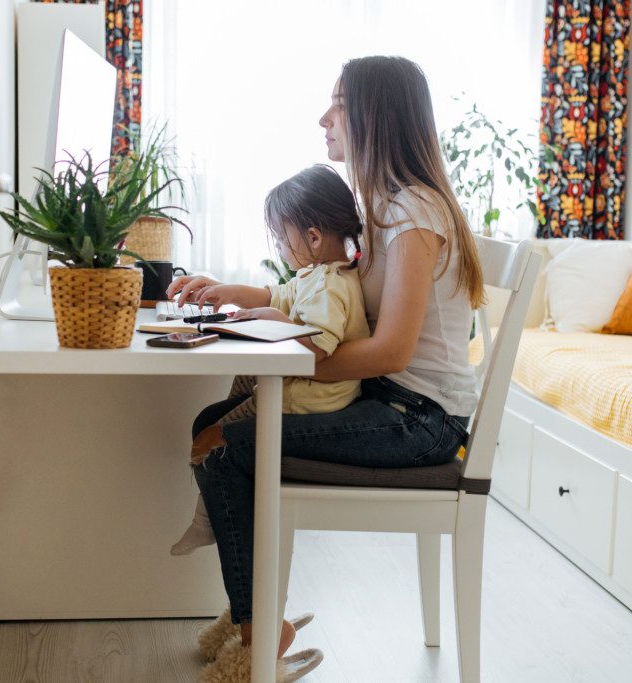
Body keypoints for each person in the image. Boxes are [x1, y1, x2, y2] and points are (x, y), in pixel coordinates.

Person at [167, 55, 484, 682]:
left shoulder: (413, 213)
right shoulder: (384, 211)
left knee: (228, 449)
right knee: (216, 424)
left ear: (374, 116)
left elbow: (393, 352)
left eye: (336, 105)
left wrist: (283, 361)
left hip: (421, 420)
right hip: (390, 403)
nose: (323, 118)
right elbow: (312, 296)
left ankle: (258, 632)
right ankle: (253, 613)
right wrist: (240, 303)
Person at [169, 163, 369, 558]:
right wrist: (224, 290)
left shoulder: (330, 286)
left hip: (308, 399)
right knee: (233, 388)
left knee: (209, 440)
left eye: (280, 238)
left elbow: (316, 348)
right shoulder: (316, 275)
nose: (277, 247)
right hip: (300, 390)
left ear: (313, 237)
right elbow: (276, 297)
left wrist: (274, 322)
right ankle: (208, 518)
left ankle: (207, 521)